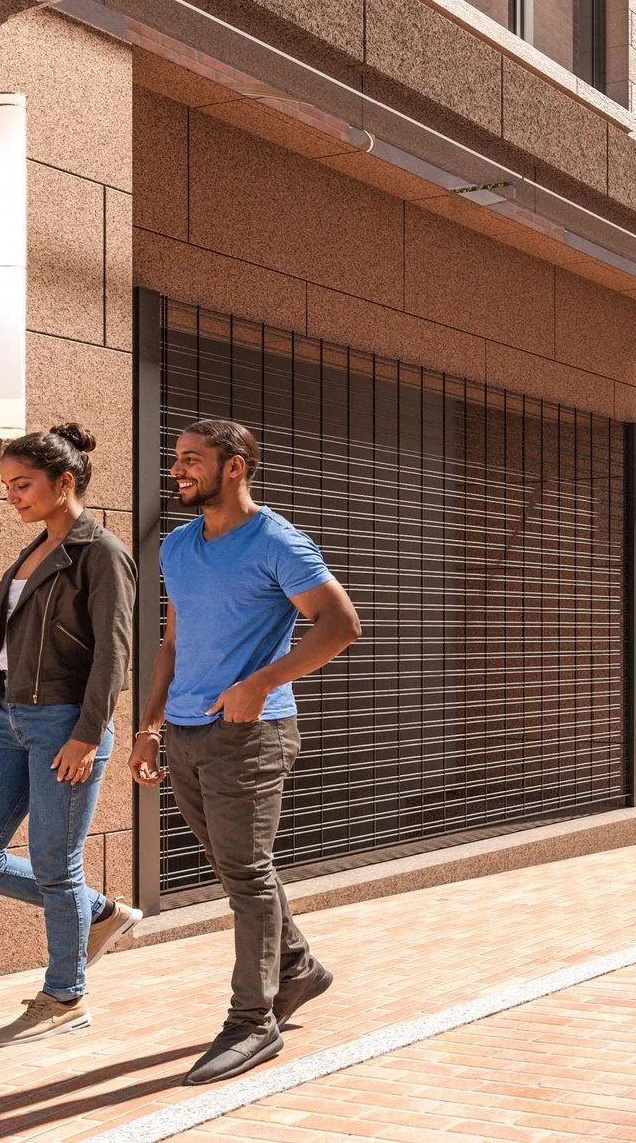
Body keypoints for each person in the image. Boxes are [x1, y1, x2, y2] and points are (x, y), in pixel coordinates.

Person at [130, 419, 363, 1086]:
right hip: (185, 729)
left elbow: (340, 624)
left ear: (234, 467)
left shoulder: (277, 541)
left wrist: (260, 684)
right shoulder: (177, 545)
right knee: (239, 871)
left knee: (247, 875)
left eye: (191, 461)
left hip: (251, 736)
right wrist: (149, 726)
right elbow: (172, 642)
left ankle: (252, 1021)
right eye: (175, 460)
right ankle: (296, 968)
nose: (177, 470)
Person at [0, 422, 143, 1047]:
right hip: (10, 722)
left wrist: (89, 732)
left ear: (65, 481)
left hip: (65, 721)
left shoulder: (101, 552)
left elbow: (114, 653)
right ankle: (100, 912)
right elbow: (7, 652)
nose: (13, 497)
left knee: (57, 865)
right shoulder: (27, 555)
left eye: (23, 485)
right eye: (7, 487)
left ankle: (65, 995)